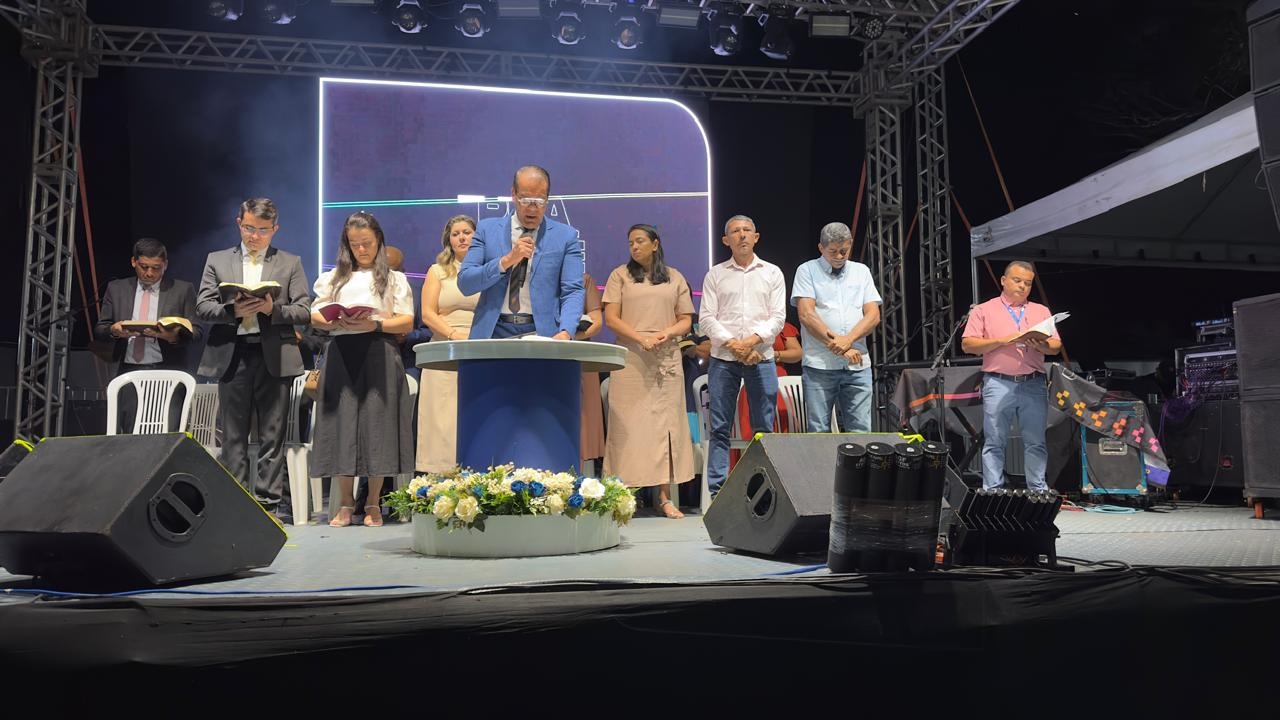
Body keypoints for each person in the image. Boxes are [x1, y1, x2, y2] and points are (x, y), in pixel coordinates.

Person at [196, 198, 312, 521]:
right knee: (232, 435)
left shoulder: (290, 262)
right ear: (239, 223)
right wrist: (232, 310)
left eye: (262, 230)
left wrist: (272, 309)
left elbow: (304, 310)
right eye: (249, 228)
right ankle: (235, 505)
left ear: (275, 230)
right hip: (233, 354)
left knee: (272, 435)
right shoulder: (218, 260)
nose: (254, 236)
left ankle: (267, 506)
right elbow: (202, 307)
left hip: (273, 354)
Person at [310, 211, 415, 527]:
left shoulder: (393, 279)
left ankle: (372, 503)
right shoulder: (334, 277)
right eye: (354, 244)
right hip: (342, 352)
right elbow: (315, 315)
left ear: (378, 240)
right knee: (342, 425)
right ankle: (344, 503)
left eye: (366, 243)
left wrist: (376, 323)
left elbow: (406, 321)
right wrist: (335, 318)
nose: (361, 249)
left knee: (377, 426)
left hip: (379, 351)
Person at [603, 224, 696, 518]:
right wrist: (640, 338)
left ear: (655, 244)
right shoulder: (620, 275)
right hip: (631, 356)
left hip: (665, 356)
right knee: (628, 426)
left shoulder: (674, 276)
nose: (634, 246)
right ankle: (622, 496)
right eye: (630, 242)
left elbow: (685, 319)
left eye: (640, 241)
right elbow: (611, 318)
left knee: (665, 427)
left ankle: (664, 497)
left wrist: (666, 333)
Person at [699, 215, 786, 497]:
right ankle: (718, 494)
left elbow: (778, 318)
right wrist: (734, 344)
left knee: (764, 429)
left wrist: (750, 343)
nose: (742, 234)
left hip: (761, 358)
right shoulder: (715, 274)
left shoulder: (772, 273)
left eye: (747, 230)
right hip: (724, 360)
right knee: (720, 428)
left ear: (756, 237)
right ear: (726, 240)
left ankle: (764, 491)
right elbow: (706, 318)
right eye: (735, 231)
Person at [961, 260, 1062, 491]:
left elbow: (1056, 346)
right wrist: (1002, 340)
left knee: (1036, 441)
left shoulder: (1041, 311)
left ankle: (1038, 490)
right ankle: (993, 490)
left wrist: (1041, 345)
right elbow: (967, 345)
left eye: (1028, 283)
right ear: (1003, 280)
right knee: (994, 441)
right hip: (998, 382)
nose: (1023, 286)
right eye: (1017, 281)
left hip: (1033, 382)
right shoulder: (984, 310)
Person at [457, 165, 584, 339]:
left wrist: (566, 331)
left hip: (544, 334)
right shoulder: (486, 230)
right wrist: (507, 261)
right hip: (492, 332)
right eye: (525, 200)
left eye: (539, 201)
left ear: (548, 199)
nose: (532, 208)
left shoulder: (565, 236)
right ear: (513, 194)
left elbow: (573, 291)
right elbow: (465, 283)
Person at [95, 238, 202, 431]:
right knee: (132, 433)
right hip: (128, 372)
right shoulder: (117, 289)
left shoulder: (182, 290)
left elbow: (197, 332)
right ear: (133, 262)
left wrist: (171, 336)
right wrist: (115, 331)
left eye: (156, 268)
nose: (150, 273)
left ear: (165, 265)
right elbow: (101, 329)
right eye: (144, 267)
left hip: (167, 371)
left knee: (167, 434)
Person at [792, 221, 882, 433]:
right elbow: (806, 315)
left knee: (861, 431)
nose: (840, 256)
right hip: (819, 366)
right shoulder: (807, 270)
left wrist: (848, 341)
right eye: (833, 251)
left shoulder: (861, 271)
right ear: (821, 247)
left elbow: (873, 315)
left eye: (844, 250)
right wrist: (842, 346)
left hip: (858, 365)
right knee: (818, 431)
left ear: (850, 244)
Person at [416, 215, 480, 473]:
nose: (462, 237)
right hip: (445, 348)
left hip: (479, 349)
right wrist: (454, 335)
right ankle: (439, 481)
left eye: (467, 232)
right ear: (449, 241)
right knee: (442, 418)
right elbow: (428, 314)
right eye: (456, 234)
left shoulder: (487, 270)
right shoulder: (437, 271)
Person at [385, 245, 432, 381]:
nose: (390, 275)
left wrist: (408, 336)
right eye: (385, 270)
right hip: (372, 360)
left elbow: (429, 332)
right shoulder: (366, 292)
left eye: (394, 271)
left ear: (403, 271)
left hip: (407, 364)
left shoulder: (418, 293)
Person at [577, 271, 606, 473]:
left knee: (583, 424)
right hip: (545, 352)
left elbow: (597, 323)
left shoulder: (584, 280)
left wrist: (569, 337)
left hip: (580, 354)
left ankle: (580, 482)